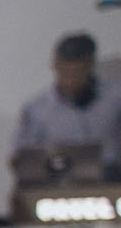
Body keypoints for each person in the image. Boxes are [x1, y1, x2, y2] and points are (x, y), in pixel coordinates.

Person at [10, 31, 121, 180]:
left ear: (90, 66)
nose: (71, 80)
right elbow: (18, 157)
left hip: (111, 179)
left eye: (78, 72)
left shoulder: (115, 97)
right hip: (58, 183)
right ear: (55, 66)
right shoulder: (36, 109)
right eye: (65, 72)